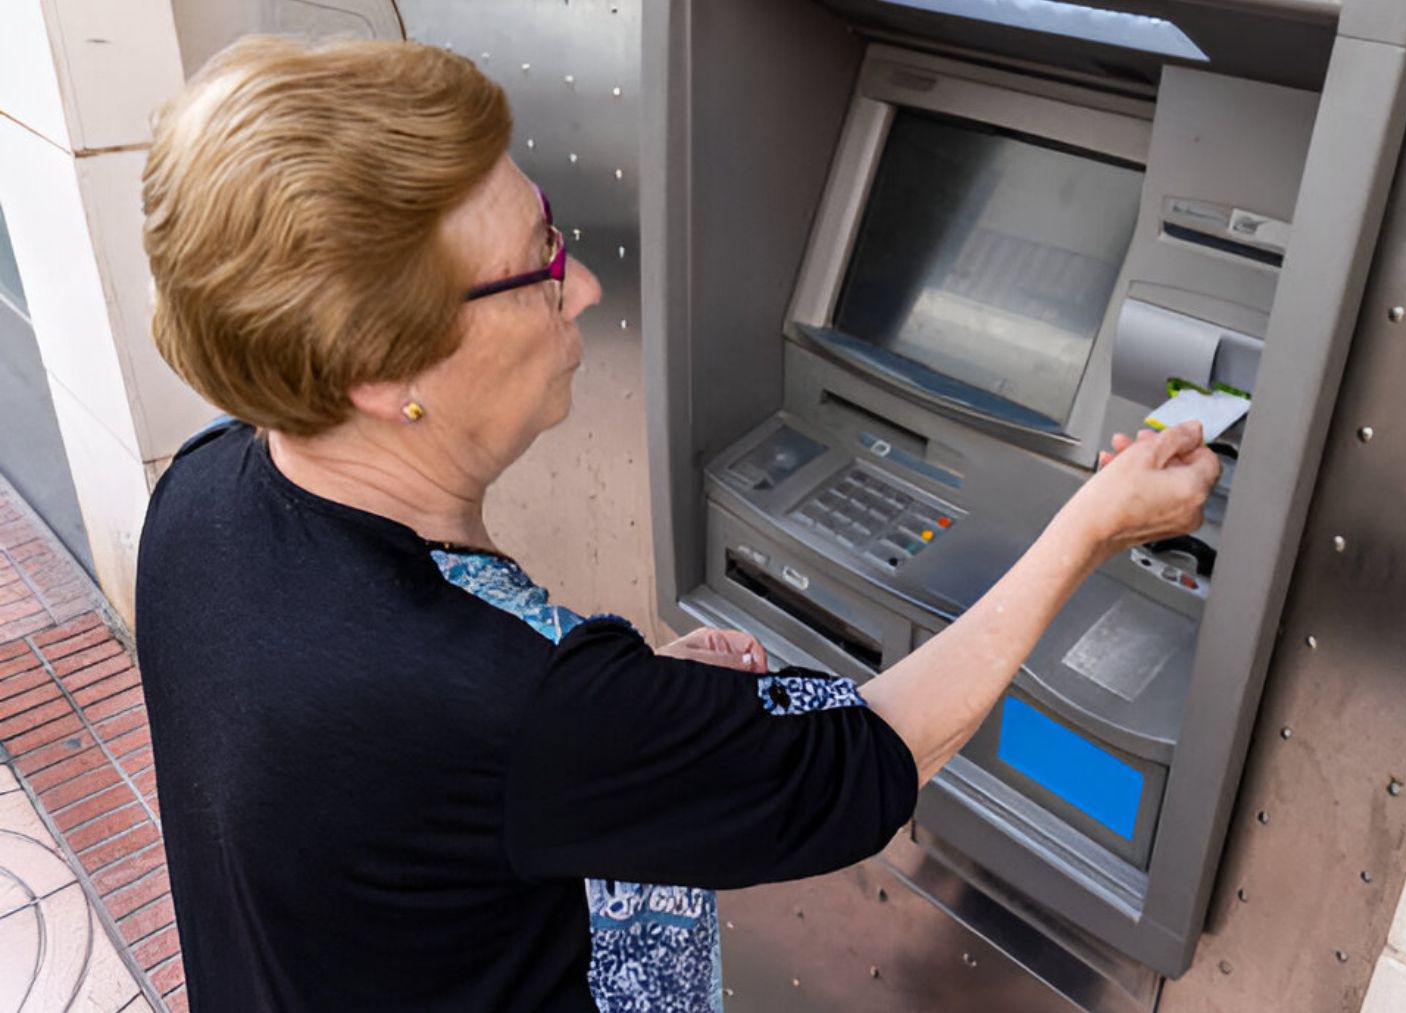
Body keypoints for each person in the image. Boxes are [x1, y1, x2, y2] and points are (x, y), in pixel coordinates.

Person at [134, 36, 1221, 1012]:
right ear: (380, 370)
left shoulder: (204, 493)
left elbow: (408, 786)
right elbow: (859, 767)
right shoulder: (513, 706)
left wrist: (630, 723)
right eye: (538, 264)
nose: (589, 285)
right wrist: (1088, 528)